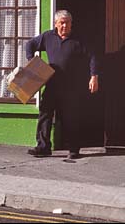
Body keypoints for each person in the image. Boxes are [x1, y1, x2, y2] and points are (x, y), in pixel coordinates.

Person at [26, 10, 99, 160]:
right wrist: (32, 63)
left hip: (71, 86)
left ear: (71, 24)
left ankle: (73, 149)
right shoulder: (48, 37)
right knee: (45, 114)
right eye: (62, 23)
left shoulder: (79, 40)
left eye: (67, 22)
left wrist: (94, 76)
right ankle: (43, 147)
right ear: (56, 24)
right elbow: (30, 44)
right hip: (52, 83)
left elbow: (93, 56)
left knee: (71, 117)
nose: (65, 25)